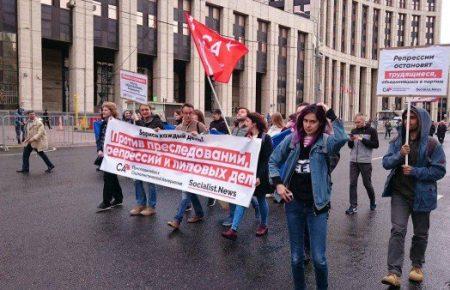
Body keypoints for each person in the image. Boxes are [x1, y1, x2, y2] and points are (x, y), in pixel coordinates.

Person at [269, 103, 348, 290]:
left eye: (313, 121)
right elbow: (273, 161)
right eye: (305, 120)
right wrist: (278, 184)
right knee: (296, 258)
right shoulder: (292, 140)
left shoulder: (326, 141)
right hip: (293, 204)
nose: (308, 125)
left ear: (320, 123)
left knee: (319, 259)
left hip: (317, 206)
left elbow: (342, 138)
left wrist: (331, 113)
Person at [381, 106, 446, 287]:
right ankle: (393, 272)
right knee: (398, 230)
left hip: (422, 195)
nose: (407, 122)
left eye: (412, 118)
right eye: (405, 118)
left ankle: (417, 266)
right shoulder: (398, 141)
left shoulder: (433, 144)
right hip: (400, 193)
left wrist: (416, 171)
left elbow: (439, 170)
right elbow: (386, 162)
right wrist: (400, 155)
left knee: (420, 234)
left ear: (421, 121)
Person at [222, 113, 273, 241]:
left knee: (261, 200)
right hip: (247, 175)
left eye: (248, 121)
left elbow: (266, 160)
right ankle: (233, 229)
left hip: (259, 175)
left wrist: (259, 177)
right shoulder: (247, 136)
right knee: (242, 200)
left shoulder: (266, 138)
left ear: (254, 123)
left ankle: (264, 225)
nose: (246, 123)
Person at [167, 103, 208, 230]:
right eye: (186, 113)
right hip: (184, 165)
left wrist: (200, 137)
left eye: (191, 113)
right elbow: (173, 143)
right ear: (182, 113)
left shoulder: (199, 125)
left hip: (196, 165)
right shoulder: (178, 128)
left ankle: (177, 219)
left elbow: (211, 142)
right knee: (191, 190)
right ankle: (200, 213)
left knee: (186, 191)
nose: (189, 115)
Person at [221, 107, 260, 226]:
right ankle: (232, 216)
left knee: (243, 190)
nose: (239, 113)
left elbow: (255, 142)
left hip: (244, 165)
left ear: (248, 116)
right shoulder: (234, 128)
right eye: (238, 111)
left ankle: (256, 205)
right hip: (233, 163)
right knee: (232, 190)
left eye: (242, 111)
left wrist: (251, 139)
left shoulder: (250, 129)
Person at [129, 104, 164, 217]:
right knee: (137, 180)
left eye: (146, 109)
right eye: (142, 110)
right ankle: (141, 204)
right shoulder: (136, 121)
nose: (144, 111)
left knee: (150, 182)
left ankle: (151, 206)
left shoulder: (157, 121)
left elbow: (145, 132)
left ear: (150, 110)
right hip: (139, 156)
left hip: (151, 156)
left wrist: (138, 122)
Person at [345, 113, 379, 215]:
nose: (357, 124)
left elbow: (375, 145)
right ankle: (353, 206)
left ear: (363, 121)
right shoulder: (353, 131)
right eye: (355, 122)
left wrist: (362, 139)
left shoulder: (371, 131)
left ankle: (372, 201)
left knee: (367, 184)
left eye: (358, 122)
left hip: (365, 162)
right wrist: (350, 141)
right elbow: (351, 146)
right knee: (352, 184)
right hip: (353, 161)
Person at [96, 102, 123, 211]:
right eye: (103, 109)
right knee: (112, 177)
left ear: (112, 111)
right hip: (104, 155)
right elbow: (100, 138)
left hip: (114, 155)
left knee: (108, 177)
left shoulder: (117, 123)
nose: (103, 111)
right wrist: (99, 149)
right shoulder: (104, 123)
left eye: (106, 110)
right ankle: (118, 198)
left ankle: (106, 201)